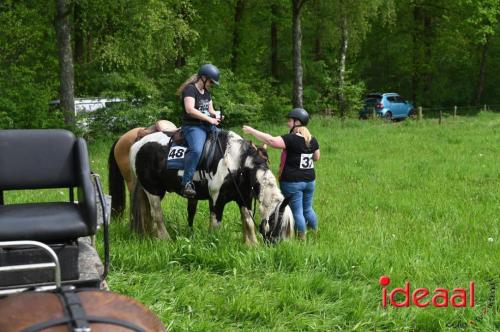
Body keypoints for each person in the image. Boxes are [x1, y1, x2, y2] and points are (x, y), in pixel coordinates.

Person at [242, 108, 320, 240]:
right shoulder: (312, 140)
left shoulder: (291, 139)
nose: (288, 123)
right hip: (309, 181)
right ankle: (315, 232)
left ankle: (302, 238)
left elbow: (271, 141)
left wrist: (252, 131)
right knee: (307, 209)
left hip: (292, 182)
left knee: (297, 212)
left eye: (290, 121)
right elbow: (316, 157)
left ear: (297, 122)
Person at [177, 64, 222, 198]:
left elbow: (211, 111)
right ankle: (186, 183)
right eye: (210, 82)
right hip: (192, 127)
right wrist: (209, 120)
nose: (211, 84)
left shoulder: (207, 93)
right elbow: (190, 110)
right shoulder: (190, 90)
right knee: (196, 149)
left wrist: (216, 116)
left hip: (206, 125)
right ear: (203, 78)